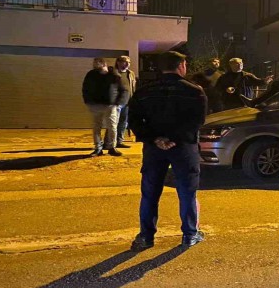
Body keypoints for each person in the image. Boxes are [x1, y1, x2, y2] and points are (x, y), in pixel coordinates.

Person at [127, 51, 208, 251]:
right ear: (181, 66)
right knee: (187, 192)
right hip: (183, 148)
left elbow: (134, 121)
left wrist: (155, 139)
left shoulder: (145, 91)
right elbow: (196, 121)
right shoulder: (194, 91)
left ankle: (146, 236)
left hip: (154, 148)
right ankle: (190, 234)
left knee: (150, 193)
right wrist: (174, 138)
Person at [82, 57, 128, 157]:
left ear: (104, 65)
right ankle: (98, 148)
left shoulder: (114, 75)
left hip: (110, 105)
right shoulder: (91, 75)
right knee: (96, 127)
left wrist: (119, 103)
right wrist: (88, 101)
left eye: (99, 66)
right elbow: (85, 88)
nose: (97, 69)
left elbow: (123, 89)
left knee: (112, 127)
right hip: (95, 105)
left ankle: (112, 147)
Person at [113, 55, 136, 148]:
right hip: (117, 103)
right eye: (125, 62)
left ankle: (119, 141)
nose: (127, 64)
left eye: (129, 62)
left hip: (127, 102)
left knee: (123, 123)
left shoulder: (130, 74)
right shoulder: (114, 73)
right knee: (113, 124)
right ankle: (109, 143)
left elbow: (133, 87)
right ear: (118, 62)